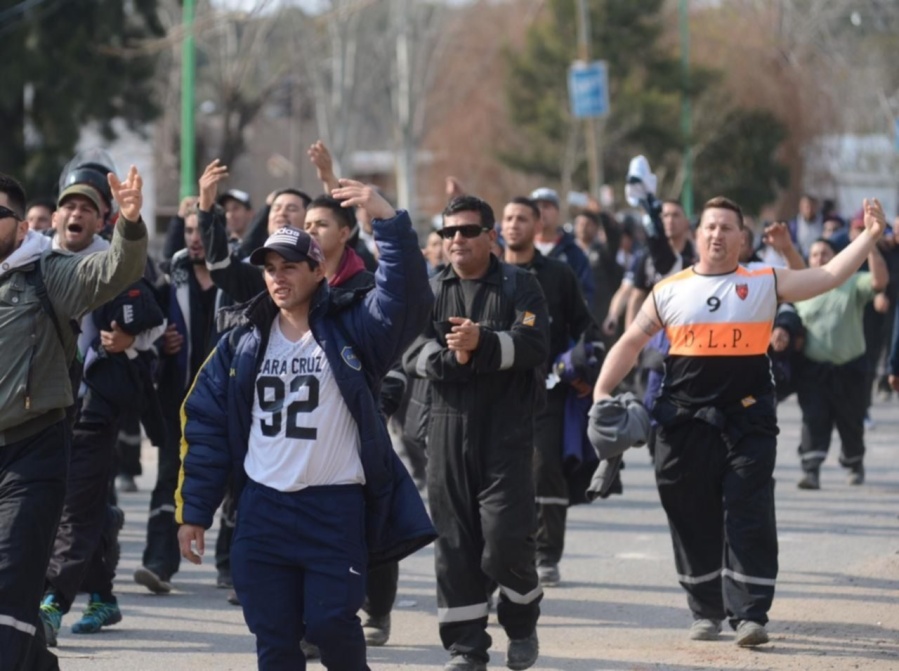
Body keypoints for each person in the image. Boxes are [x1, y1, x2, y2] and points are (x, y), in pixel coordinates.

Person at [592, 195, 888, 647]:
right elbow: (631, 342)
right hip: (682, 423)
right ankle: (705, 610)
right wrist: (600, 393)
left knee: (748, 512)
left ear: (741, 238)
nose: (717, 234)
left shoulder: (765, 280)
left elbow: (828, 276)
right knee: (689, 513)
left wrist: (869, 236)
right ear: (698, 235)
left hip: (747, 421)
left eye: (727, 227)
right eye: (710, 226)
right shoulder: (669, 289)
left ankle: (749, 614)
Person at [176, 180, 435, 670]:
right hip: (263, 510)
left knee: (331, 625)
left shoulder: (354, 328)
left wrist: (387, 220)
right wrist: (195, 511)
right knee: (274, 638)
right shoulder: (241, 342)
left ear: (319, 271)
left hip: (333, 508)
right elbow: (206, 425)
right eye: (270, 269)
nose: (278, 278)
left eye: (290, 266)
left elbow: (407, 299)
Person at [0, 168, 148, 671]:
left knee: (11, 580)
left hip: (32, 451)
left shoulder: (49, 271)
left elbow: (114, 271)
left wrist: (130, 223)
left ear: (23, 226)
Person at [403, 195, 549, 671]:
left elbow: (533, 344)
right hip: (445, 429)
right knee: (453, 545)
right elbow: (411, 352)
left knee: (506, 540)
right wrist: (456, 358)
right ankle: (466, 648)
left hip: (506, 431)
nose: (457, 239)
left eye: (467, 231)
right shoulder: (429, 290)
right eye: (448, 232)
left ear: (491, 236)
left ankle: (521, 622)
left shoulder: (521, 285)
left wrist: (481, 341)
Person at [39, 179, 166, 646]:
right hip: (38, 409)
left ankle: (50, 604)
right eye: (68, 206)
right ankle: (103, 590)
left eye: (86, 208)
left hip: (93, 404)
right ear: (55, 217)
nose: (76, 214)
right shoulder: (36, 263)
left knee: (74, 506)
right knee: (59, 505)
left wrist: (131, 342)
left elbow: (158, 322)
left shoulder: (116, 263)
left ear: (100, 220)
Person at [501, 197, 600, 588]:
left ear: (538, 224)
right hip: (495, 392)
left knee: (545, 470)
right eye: (508, 218)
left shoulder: (558, 274)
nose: (514, 225)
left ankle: (546, 555)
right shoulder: (488, 272)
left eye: (522, 218)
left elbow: (585, 327)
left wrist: (578, 363)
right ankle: (503, 555)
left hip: (547, 391)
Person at [794, 235, 888, 489]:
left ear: (836, 257)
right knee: (813, 419)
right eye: (814, 254)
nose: (819, 258)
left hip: (850, 368)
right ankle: (811, 470)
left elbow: (879, 281)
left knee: (851, 423)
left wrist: (870, 244)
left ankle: (854, 463)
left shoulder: (852, 281)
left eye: (825, 253)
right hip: (814, 370)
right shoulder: (802, 286)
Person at [529, 187, 594, 304]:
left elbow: (585, 293)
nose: (540, 211)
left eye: (546, 206)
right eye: (536, 207)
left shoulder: (573, 252)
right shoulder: (520, 248)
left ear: (558, 212)